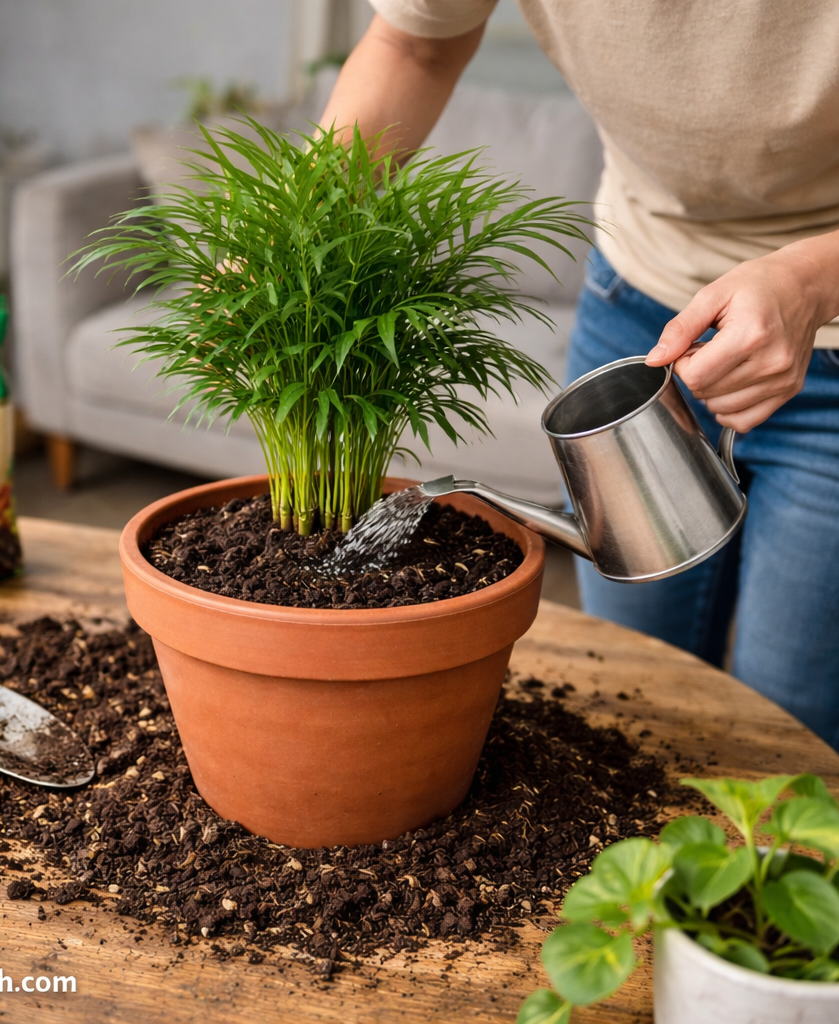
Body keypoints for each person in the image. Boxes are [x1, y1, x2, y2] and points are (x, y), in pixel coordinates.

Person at [320, 1, 839, 748]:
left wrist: (812, 283)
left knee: (789, 723)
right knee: (634, 696)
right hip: (640, 307)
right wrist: (290, 245)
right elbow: (414, 47)